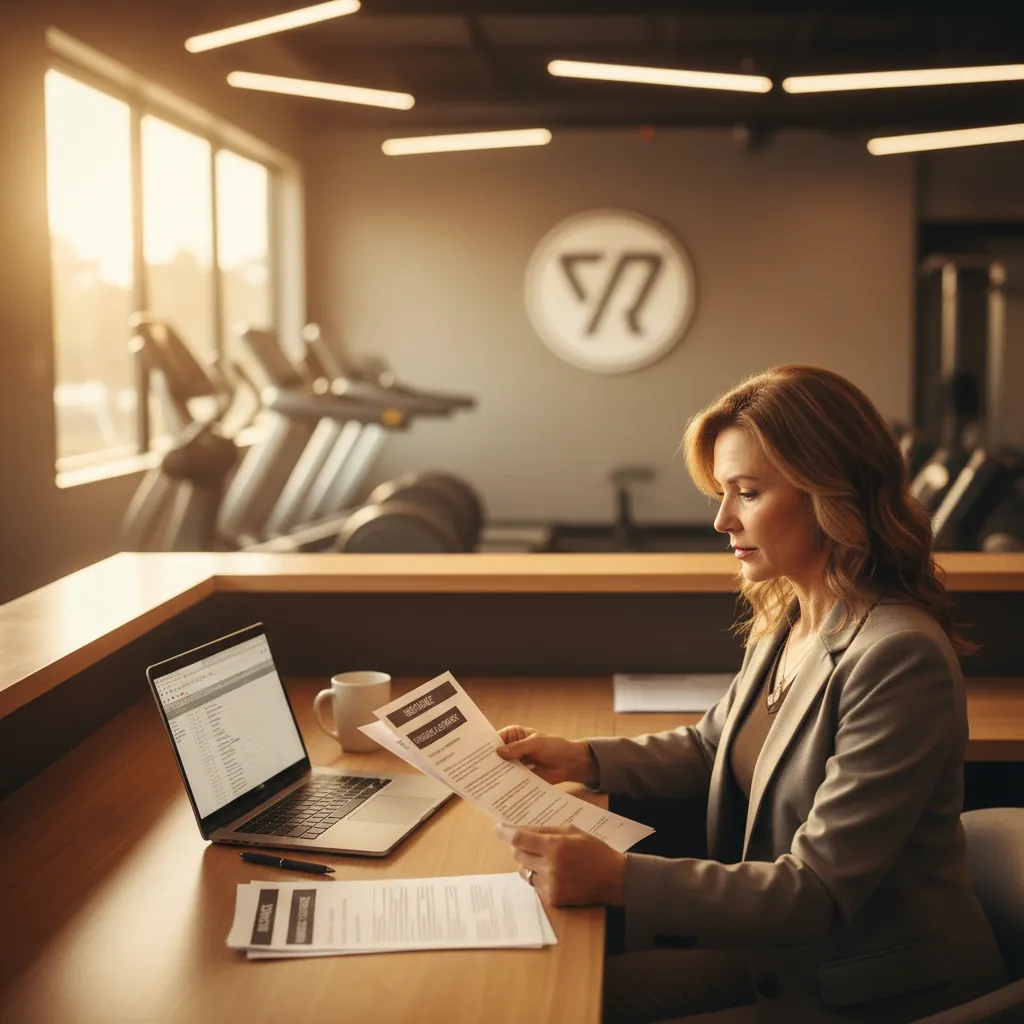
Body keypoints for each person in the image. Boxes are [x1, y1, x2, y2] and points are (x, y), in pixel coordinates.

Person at [493, 365, 1008, 1023]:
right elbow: (714, 744)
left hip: (868, 984)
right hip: (782, 951)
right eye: (721, 492)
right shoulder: (796, 610)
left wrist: (617, 878)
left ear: (832, 495)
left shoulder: (899, 656)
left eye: (747, 492)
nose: (721, 519)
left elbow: (815, 890)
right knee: (561, 996)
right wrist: (582, 758)